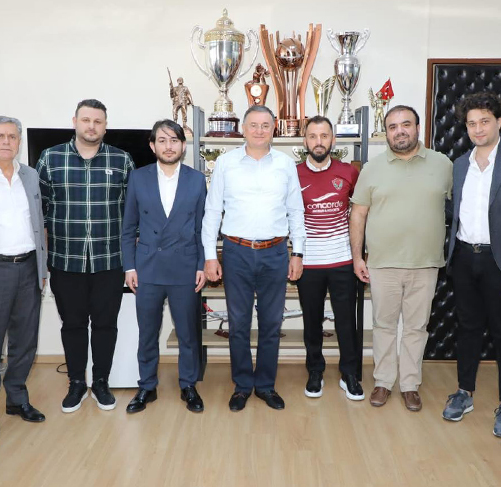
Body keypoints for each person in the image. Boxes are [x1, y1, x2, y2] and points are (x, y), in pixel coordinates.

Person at [202, 105, 305, 412]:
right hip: (236, 252)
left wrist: (298, 253)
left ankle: (266, 385)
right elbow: (212, 211)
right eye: (254, 125)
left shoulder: (286, 164)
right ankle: (243, 385)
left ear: (273, 129)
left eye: (265, 125)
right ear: (243, 129)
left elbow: (296, 211)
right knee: (239, 324)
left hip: (276, 252)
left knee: (271, 323)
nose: (259, 130)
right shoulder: (226, 163)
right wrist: (210, 256)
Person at [349, 105, 452, 412]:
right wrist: (357, 257)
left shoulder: (443, 164)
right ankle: (383, 381)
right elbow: (358, 214)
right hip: (383, 263)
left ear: (418, 127)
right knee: (383, 326)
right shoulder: (372, 168)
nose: (399, 131)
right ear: (386, 133)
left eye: (406, 124)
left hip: (425, 263)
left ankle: (409, 385)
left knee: (416, 328)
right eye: (392, 127)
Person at [36, 99, 135, 413]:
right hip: (66, 260)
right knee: (73, 325)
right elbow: (40, 212)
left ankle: (101, 382)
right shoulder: (50, 158)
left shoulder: (122, 160)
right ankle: (77, 383)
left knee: (106, 325)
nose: (92, 126)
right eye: (86, 120)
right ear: (75, 121)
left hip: (109, 260)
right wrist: (43, 260)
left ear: (105, 126)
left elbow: (132, 212)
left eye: (98, 121)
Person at [442, 92, 501, 437]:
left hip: (500, 259)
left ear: (499, 122)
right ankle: (464, 392)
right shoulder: (460, 164)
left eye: (484, 121)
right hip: (465, 257)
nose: (478, 129)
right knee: (467, 328)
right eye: (471, 123)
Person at [0, 116, 48, 438]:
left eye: (12, 137)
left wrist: (42, 268)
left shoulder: (29, 175)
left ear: (19, 142)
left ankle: (17, 398)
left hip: (28, 267)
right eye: (0, 136)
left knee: (25, 341)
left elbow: (39, 222)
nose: (6, 142)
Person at [122, 119, 206, 413]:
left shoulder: (197, 180)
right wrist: (129, 267)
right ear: (152, 145)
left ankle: (188, 385)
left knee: (187, 334)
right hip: (147, 268)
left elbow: (202, 228)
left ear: (183, 145)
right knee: (148, 333)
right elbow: (128, 227)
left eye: (174, 140)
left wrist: (201, 264)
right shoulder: (138, 178)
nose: (168, 146)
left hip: (185, 267)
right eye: (162, 140)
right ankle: (147, 386)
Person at [295, 116, 362, 400]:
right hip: (308, 263)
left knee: (346, 321)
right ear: (305, 141)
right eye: (313, 136)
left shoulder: (349, 172)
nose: (318, 142)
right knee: (312, 322)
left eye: (324, 136)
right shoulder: (293, 174)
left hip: (342, 261)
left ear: (333, 140)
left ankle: (350, 374)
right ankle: (315, 371)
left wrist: (360, 256)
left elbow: (360, 213)